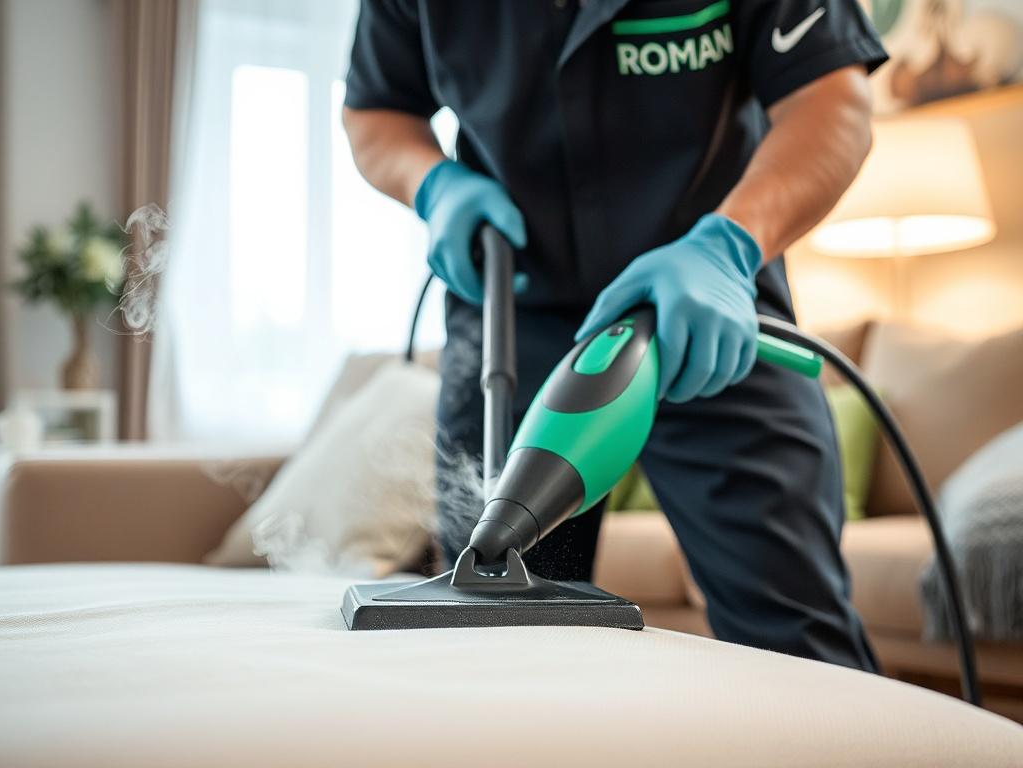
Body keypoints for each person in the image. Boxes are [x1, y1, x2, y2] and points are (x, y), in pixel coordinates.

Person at [342, 1, 887, 672]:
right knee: (492, 623)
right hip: (514, 315)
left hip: (704, 312)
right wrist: (432, 185)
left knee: (797, 640)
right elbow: (374, 111)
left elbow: (831, 100)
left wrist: (730, 245)